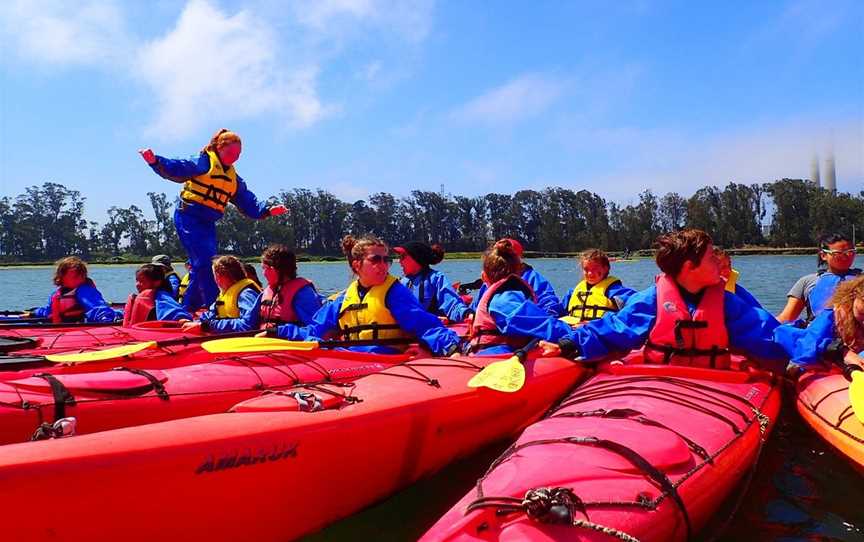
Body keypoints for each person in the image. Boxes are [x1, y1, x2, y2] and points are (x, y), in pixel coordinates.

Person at [541, 229, 787, 370]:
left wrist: (818, 346)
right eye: (712, 257)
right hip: (661, 377)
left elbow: (770, 334)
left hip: (716, 380)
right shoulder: (652, 299)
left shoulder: (726, 302)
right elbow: (615, 328)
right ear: (691, 267)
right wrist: (568, 344)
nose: (719, 263)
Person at [139, 129, 287, 311]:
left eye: (238, 154)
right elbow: (179, 166)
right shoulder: (203, 162)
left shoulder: (233, 178)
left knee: (202, 264)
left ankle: (187, 308)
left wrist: (267, 210)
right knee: (205, 262)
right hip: (188, 217)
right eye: (230, 153)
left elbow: (246, 199)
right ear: (219, 148)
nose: (234, 157)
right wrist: (155, 161)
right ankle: (212, 307)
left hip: (207, 223)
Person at [273, 235, 461, 356]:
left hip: (385, 361)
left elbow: (425, 326)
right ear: (357, 265)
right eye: (375, 260)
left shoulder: (395, 292)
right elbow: (313, 331)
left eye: (386, 260)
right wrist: (280, 332)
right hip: (350, 359)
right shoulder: (344, 298)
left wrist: (452, 350)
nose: (383, 265)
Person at [467, 239, 575, 355]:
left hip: (491, 352)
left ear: (484, 277)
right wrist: (574, 335)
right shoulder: (504, 300)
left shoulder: (501, 294)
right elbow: (543, 325)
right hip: (494, 354)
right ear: (519, 272)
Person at [776, 275, 864, 370]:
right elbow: (808, 345)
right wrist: (842, 352)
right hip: (822, 368)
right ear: (854, 295)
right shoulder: (832, 316)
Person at [777, 233, 859, 324]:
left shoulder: (861, 280)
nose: (845, 257)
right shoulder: (807, 282)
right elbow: (786, 317)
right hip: (817, 334)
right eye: (838, 253)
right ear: (823, 255)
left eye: (850, 252)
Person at [469, 238, 563, 316]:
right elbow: (475, 307)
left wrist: (549, 317)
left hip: (525, 327)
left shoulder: (533, 278)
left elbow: (549, 302)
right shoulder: (487, 284)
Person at [180, 255, 262, 334]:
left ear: (219, 276)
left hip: (241, 341)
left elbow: (248, 325)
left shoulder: (246, 294)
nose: (215, 279)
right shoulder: (224, 294)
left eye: (214, 275)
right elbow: (211, 315)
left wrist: (207, 326)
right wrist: (194, 322)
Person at [395, 241, 472, 322]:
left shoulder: (435, 278)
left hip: (429, 330)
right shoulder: (401, 282)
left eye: (403, 257)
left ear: (416, 258)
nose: (399, 261)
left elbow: (452, 304)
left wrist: (467, 314)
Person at [28, 257, 118, 323]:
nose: (80, 278)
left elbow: (97, 307)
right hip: (63, 328)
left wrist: (105, 320)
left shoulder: (84, 290)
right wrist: (34, 313)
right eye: (75, 276)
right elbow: (48, 311)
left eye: (82, 275)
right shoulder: (56, 294)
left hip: (91, 323)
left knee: (115, 313)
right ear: (61, 277)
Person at [560, 249, 635, 326]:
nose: (590, 273)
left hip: (599, 332)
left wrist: (593, 324)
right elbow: (559, 311)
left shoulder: (614, 290)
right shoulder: (572, 292)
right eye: (586, 269)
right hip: (573, 330)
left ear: (605, 269)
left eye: (594, 269)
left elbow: (633, 307)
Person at [258, 244, 321, 328]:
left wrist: (281, 332)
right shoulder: (266, 292)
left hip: (290, 340)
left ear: (277, 270)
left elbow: (317, 329)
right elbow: (248, 323)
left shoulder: (303, 294)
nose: (264, 273)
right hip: (265, 339)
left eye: (265, 268)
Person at [123, 264, 192, 326]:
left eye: (142, 281)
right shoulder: (142, 297)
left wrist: (184, 321)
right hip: (134, 332)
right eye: (137, 280)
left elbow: (173, 311)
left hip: (151, 336)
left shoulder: (160, 296)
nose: (137, 284)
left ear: (157, 282)